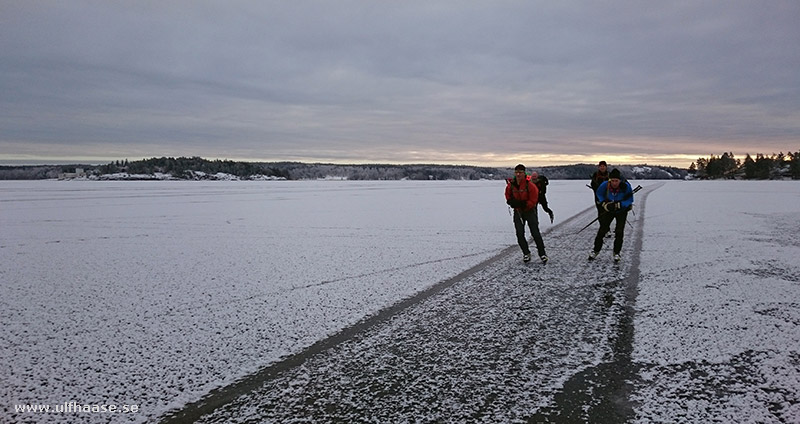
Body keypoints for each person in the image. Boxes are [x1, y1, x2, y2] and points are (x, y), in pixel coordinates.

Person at [589, 168, 633, 263]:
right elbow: (599, 194)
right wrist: (604, 203)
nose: (614, 183)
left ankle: (616, 252)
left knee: (619, 232)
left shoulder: (626, 187)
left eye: (616, 181)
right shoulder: (605, 185)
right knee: (602, 231)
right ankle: (595, 250)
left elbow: (630, 199)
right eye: (612, 180)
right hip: (609, 211)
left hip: (621, 211)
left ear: (619, 180)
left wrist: (620, 205)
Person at [505, 164, 548, 263]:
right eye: (516, 172)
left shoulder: (530, 185)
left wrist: (525, 204)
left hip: (529, 211)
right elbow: (507, 195)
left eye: (520, 172)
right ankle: (526, 253)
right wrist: (511, 202)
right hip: (518, 212)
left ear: (524, 173)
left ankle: (542, 254)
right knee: (519, 234)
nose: (518, 174)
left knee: (535, 233)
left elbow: (534, 199)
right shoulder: (511, 185)